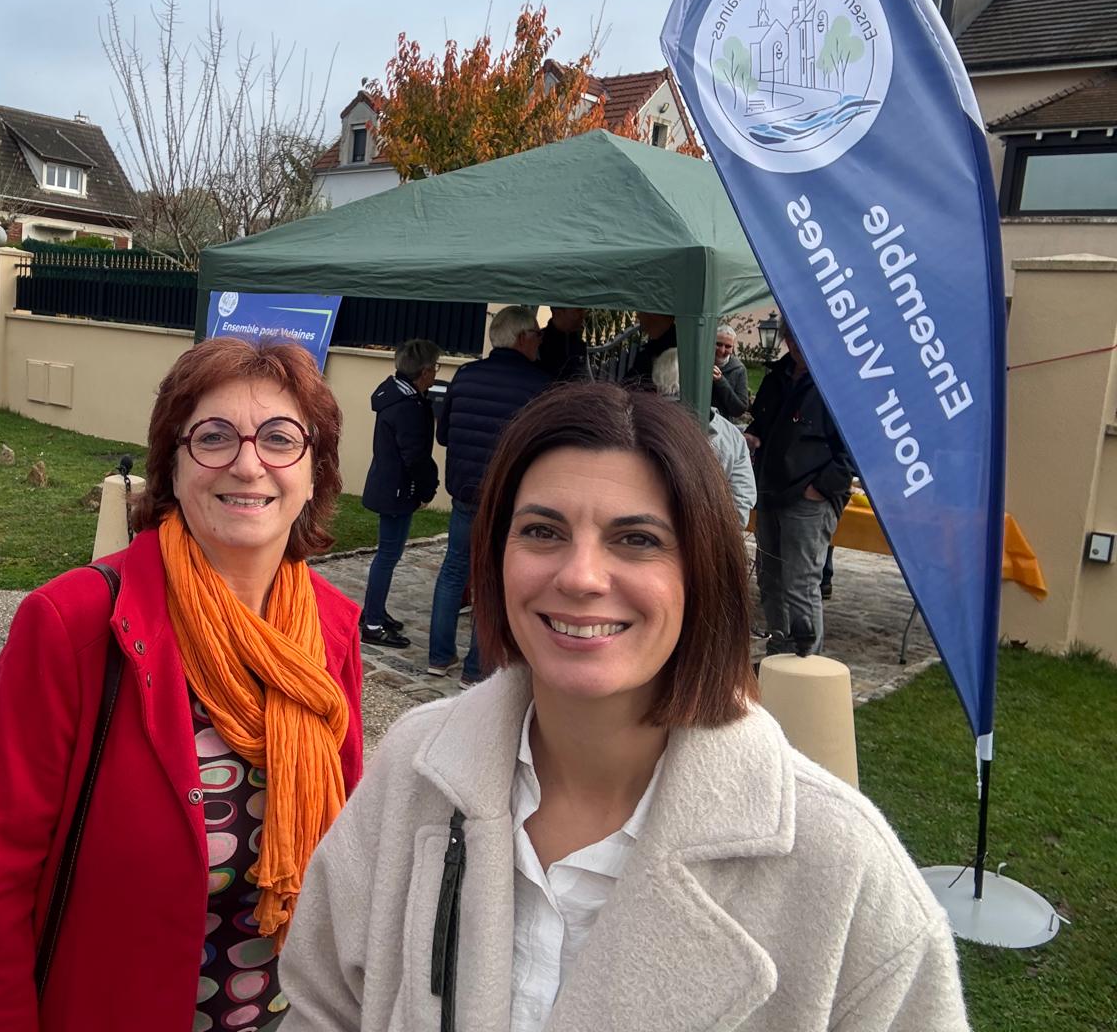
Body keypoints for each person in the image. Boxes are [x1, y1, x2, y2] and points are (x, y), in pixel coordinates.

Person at [279, 384, 969, 1032]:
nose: (580, 576)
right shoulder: (415, 767)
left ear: (701, 574)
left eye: (636, 539)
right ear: (496, 559)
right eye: (543, 532)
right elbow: (321, 1001)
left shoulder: (845, 872)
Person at [0, 337, 366, 1031]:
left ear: (315, 473)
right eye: (214, 437)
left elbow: (351, 857)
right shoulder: (74, 624)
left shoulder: (330, 633)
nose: (248, 463)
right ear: (171, 463)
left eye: (281, 439)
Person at [427, 306, 550, 687]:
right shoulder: (538, 384)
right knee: (493, 578)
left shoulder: (465, 375)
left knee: (454, 569)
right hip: (505, 497)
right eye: (536, 334)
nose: (540, 341)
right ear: (522, 338)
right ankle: (476, 669)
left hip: (464, 490)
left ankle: (438, 655)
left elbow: (444, 433)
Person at [746, 327, 853, 652]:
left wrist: (821, 488)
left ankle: (807, 665)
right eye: (789, 336)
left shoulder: (838, 385)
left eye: (800, 334)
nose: (795, 343)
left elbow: (857, 450)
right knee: (770, 579)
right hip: (770, 491)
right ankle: (781, 652)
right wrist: (751, 438)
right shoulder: (776, 376)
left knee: (801, 583)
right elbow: (760, 424)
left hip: (807, 498)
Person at [359, 338, 441, 648]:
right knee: (387, 555)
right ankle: (373, 623)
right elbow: (415, 456)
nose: (435, 374)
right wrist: (425, 489)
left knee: (387, 554)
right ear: (423, 373)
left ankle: (374, 610)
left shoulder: (397, 395)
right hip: (396, 490)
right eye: (434, 368)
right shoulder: (408, 407)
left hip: (388, 483)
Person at [651, 349, 756, 527]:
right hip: (711, 539)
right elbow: (741, 504)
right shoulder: (731, 436)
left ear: (657, 378)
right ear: (705, 381)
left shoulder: (638, 422)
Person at [622, 311, 677, 387]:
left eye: (641, 310)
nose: (638, 316)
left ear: (653, 314)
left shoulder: (674, 350)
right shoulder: (649, 351)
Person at [711, 323, 751, 421]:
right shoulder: (700, 362)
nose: (722, 350)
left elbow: (739, 409)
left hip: (722, 425)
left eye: (728, 346)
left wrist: (721, 381)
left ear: (733, 348)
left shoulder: (739, 369)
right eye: (719, 344)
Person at [537, 306, 588, 382]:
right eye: (578, 310)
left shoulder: (579, 344)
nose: (583, 315)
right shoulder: (537, 342)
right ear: (558, 312)